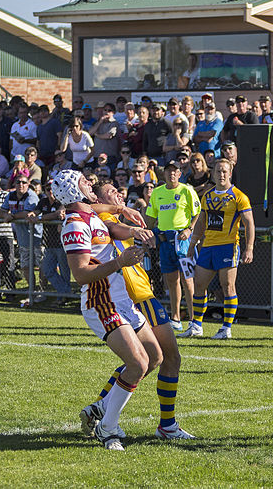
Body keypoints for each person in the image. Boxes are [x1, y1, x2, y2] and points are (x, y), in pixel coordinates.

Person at [52, 169, 159, 451]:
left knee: (154, 355)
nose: (89, 182)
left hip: (120, 298)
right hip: (101, 301)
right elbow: (81, 274)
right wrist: (119, 263)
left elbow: (111, 228)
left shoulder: (89, 213)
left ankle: (101, 407)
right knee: (138, 364)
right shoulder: (75, 223)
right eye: (82, 181)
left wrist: (133, 228)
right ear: (74, 191)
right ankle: (108, 428)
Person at [80, 180, 195, 440]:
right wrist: (128, 222)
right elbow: (109, 222)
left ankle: (101, 405)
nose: (118, 194)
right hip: (135, 298)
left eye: (118, 191)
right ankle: (162, 425)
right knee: (165, 358)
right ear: (98, 199)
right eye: (110, 192)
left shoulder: (113, 215)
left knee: (149, 359)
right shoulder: (101, 216)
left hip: (143, 295)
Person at [179, 158, 255, 339]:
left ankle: (226, 328)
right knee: (199, 285)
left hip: (228, 246)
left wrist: (249, 247)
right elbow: (201, 223)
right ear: (213, 173)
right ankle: (196, 325)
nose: (221, 174)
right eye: (218, 171)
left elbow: (249, 223)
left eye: (224, 171)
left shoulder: (239, 196)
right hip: (208, 246)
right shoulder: (207, 195)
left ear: (230, 173)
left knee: (228, 287)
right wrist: (193, 244)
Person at [145, 161, 201, 330]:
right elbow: (150, 216)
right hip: (165, 240)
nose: (171, 174)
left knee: (188, 280)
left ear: (179, 173)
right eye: (169, 171)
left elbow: (198, 212)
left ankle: (194, 320)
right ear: (164, 173)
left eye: (175, 171)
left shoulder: (187, 190)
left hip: (182, 240)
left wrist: (190, 229)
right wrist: (149, 231)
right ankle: (175, 318)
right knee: (171, 280)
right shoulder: (157, 192)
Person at [35, 181, 72, 301]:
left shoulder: (62, 201)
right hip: (48, 242)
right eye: (47, 189)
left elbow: (58, 213)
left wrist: (40, 218)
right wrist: (31, 215)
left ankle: (63, 297)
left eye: (52, 188)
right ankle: (66, 293)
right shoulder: (43, 202)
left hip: (61, 242)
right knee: (48, 270)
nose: (50, 191)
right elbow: (35, 212)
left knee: (64, 272)